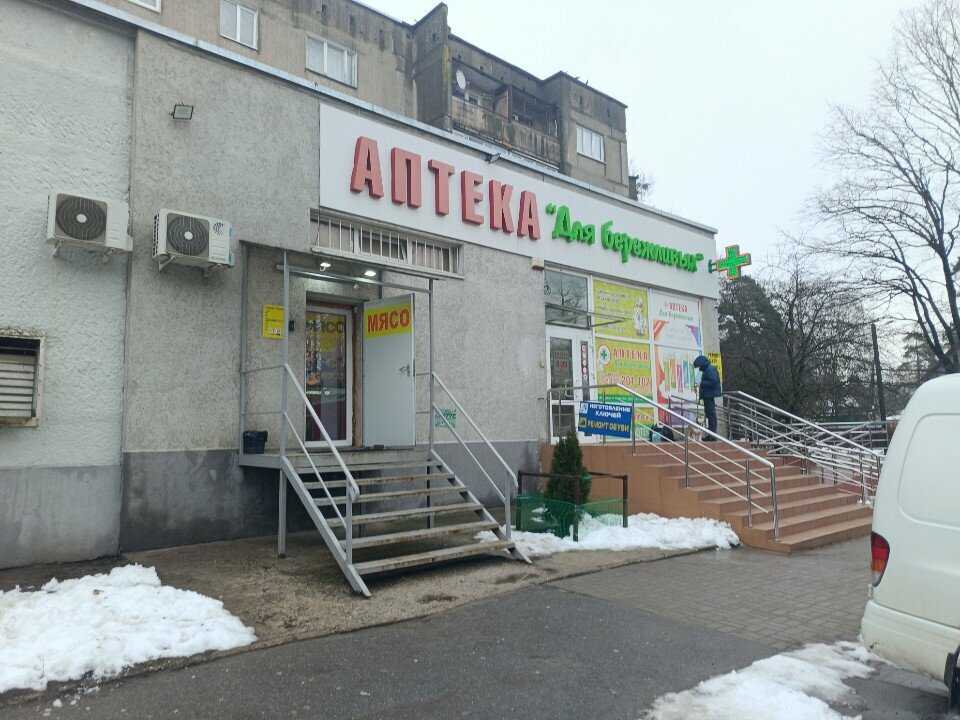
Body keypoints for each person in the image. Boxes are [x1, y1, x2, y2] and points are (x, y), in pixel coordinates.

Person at [693, 355, 722, 437]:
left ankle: (712, 435)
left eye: (699, 366)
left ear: (702, 364)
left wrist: (701, 384)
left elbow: (712, 381)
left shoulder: (710, 369)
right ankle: (711, 434)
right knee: (709, 415)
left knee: (711, 415)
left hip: (709, 395)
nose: (698, 368)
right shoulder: (707, 370)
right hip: (707, 395)